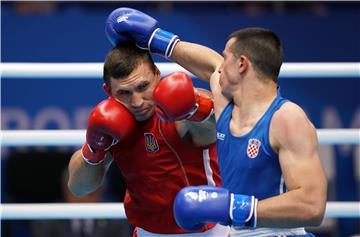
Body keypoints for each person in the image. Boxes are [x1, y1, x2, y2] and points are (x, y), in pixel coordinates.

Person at [105, 7, 328, 237]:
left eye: (226, 58)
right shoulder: (225, 107)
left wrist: (236, 208)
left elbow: (312, 207)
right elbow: (212, 65)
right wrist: (156, 39)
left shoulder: (286, 118)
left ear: (242, 64)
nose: (220, 64)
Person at [67, 37, 229, 236]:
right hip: (146, 232)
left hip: (208, 230)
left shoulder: (181, 109)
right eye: (124, 92)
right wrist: (94, 148)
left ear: (157, 75)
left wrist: (196, 108)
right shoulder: (111, 123)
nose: (136, 102)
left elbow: (217, 126)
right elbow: (79, 188)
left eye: (143, 87)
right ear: (108, 91)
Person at [32, 168, 132, 237]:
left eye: (90, 194)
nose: (83, 199)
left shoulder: (117, 217)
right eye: (78, 193)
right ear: (65, 190)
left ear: (101, 191)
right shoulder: (47, 218)